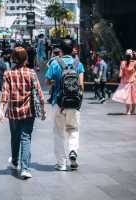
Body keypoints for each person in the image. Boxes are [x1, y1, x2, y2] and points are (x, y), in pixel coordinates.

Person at [0, 47, 45, 179]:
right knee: (26, 137)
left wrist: (1, 110)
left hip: (13, 112)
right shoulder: (31, 73)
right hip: (29, 112)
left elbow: (5, 93)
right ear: (26, 59)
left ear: (13, 58)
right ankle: (25, 169)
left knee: (15, 136)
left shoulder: (8, 74)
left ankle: (14, 161)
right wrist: (43, 109)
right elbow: (40, 93)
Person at [45, 39, 85, 171]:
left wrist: (55, 84)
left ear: (60, 50)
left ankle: (61, 163)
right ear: (73, 49)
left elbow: (47, 81)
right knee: (73, 129)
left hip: (58, 102)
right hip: (73, 103)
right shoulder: (78, 64)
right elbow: (81, 85)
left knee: (58, 132)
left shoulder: (55, 63)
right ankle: (73, 151)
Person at [112, 49, 136, 115]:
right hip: (133, 82)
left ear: (125, 55)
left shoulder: (123, 63)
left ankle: (127, 111)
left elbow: (120, 74)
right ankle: (133, 111)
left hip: (126, 83)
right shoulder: (134, 62)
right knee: (134, 97)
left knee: (128, 97)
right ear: (131, 56)